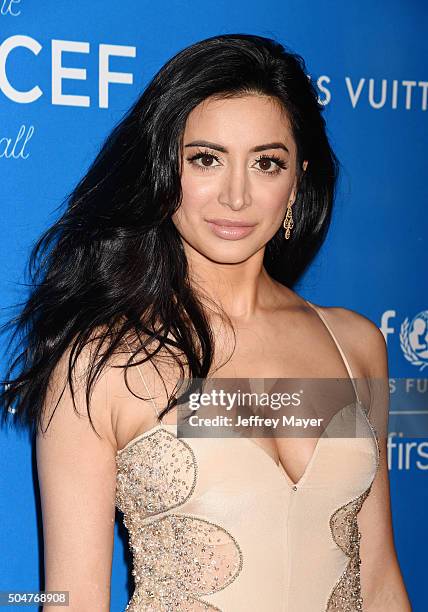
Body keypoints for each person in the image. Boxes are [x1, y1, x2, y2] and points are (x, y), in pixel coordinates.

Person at [0, 33, 411, 611]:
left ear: (297, 181)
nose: (236, 196)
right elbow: (70, 600)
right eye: (206, 159)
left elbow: (380, 580)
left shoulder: (356, 345)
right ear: (164, 171)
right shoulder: (101, 364)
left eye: (266, 163)